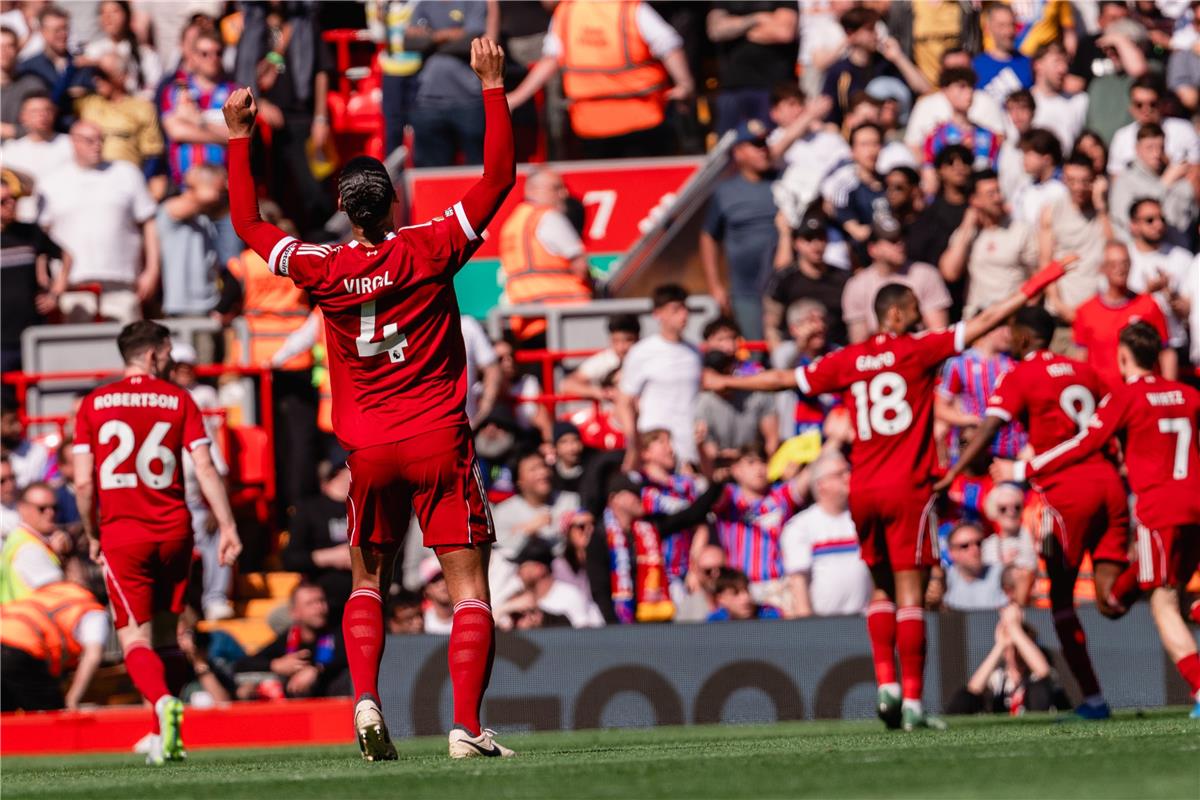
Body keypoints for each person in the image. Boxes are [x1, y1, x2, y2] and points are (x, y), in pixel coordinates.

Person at [223, 38, 516, 762]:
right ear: (394, 200)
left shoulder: (321, 267)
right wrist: (491, 86)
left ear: (344, 210)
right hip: (438, 438)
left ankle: (363, 699)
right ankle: (465, 728)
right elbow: (499, 176)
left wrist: (238, 137)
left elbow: (250, 225)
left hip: (369, 448)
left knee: (367, 581)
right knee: (468, 590)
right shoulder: (431, 245)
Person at [710, 256, 1076, 730]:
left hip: (862, 488)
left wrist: (726, 380)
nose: (921, 320)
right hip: (908, 487)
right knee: (911, 594)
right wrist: (1035, 285)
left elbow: (783, 379)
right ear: (897, 314)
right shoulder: (918, 349)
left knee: (880, 588)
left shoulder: (848, 358)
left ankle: (886, 684)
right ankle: (914, 704)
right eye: (915, 312)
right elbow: (986, 320)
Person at [996, 321, 1200, 718]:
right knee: (1162, 593)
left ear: (1123, 356)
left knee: (1162, 601)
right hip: (1193, 503)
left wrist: (1024, 469)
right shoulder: (1190, 395)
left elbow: (1083, 442)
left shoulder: (1125, 397)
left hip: (1158, 509)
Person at [941, 305, 1127, 720]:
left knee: (1061, 598)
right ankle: (1150, 586)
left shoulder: (1020, 374)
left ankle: (1094, 700)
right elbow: (1118, 415)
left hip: (1067, 492)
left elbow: (990, 426)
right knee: (1112, 598)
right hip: (1110, 484)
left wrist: (955, 468)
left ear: (1024, 337)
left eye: (1011, 333)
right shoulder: (1085, 371)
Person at [73, 321, 241, 765]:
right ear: (152, 355)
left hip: (124, 533)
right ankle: (157, 731)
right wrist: (228, 526)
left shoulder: (93, 403)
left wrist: (92, 533)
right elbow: (205, 467)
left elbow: (83, 483)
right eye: (167, 355)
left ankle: (163, 704)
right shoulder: (179, 399)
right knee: (168, 633)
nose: (169, 362)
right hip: (174, 532)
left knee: (134, 637)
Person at [506, 0, 695, 159]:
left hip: (599, 123)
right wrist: (685, 84)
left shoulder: (567, 11)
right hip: (637, 118)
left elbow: (550, 59)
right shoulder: (631, 9)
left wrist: (516, 97)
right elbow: (668, 45)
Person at [39, 119, 159, 324]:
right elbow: (42, 234)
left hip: (121, 281)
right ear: (73, 142)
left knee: (129, 340)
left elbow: (148, 222)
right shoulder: (52, 181)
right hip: (72, 285)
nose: (97, 145)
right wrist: (46, 280)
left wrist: (152, 270)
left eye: (101, 140)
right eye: (89, 140)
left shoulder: (126, 173)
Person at [604, 470, 726, 624]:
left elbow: (691, 515)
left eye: (639, 492)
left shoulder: (650, 527)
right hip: (616, 622)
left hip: (653, 615)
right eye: (632, 493)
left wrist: (716, 483)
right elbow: (600, 588)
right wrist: (613, 628)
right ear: (614, 499)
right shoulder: (600, 536)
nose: (639, 497)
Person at [167, 342, 232, 622]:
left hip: (193, 505)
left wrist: (220, 512)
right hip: (161, 506)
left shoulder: (198, 423)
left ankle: (215, 598)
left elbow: (218, 469)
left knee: (220, 532)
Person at [700, 120, 777, 339]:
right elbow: (708, 236)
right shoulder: (725, 191)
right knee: (753, 350)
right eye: (756, 145)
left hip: (783, 289)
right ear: (738, 152)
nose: (763, 150)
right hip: (746, 292)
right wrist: (715, 285)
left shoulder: (784, 181)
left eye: (765, 143)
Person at [497, 166, 591, 343]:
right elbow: (581, 266)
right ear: (532, 190)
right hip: (564, 318)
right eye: (556, 188)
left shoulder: (511, 225)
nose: (564, 194)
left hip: (525, 321)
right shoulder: (548, 217)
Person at [616, 284, 701, 472]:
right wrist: (635, 442)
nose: (684, 315)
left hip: (689, 450)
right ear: (658, 313)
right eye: (676, 309)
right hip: (655, 452)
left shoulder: (695, 353)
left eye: (685, 308)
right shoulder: (641, 352)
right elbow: (624, 401)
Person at [939, 168, 1040, 321]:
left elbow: (1037, 275)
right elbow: (950, 273)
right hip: (976, 317)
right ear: (975, 200)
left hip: (1012, 317)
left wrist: (1026, 313)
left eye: (998, 191)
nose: (998, 198)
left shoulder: (1020, 230)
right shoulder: (966, 234)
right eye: (990, 194)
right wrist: (967, 224)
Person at [1072, 240, 1174, 390]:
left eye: (1124, 263)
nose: (1120, 269)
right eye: (1113, 264)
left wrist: (1168, 391)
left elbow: (1166, 352)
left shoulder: (1148, 305)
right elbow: (1081, 359)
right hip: (1103, 394)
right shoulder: (1086, 311)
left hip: (1143, 394)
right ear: (1103, 268)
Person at [780, 452, 870, 618]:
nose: (848, 477)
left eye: (849, 471)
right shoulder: (801, 526)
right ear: (821, 485)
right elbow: (798, 583)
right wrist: (807, 624)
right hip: (822, 623)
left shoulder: (866, 518)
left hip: (864, 620)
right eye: (839, 474)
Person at [841, 214, 951, 344]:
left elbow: (939, 334)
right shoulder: (856, 286)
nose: (900, 244)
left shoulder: (926, 275)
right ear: (873, 249)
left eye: (901, 238)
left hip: (921, 350)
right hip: (879, 353)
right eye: (892, 241)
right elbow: (859, 344)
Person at [0, 579, 108, 711]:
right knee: (52, 715)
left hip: (7, 635)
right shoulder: (93, 611)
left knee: (6, 714)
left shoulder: (55, 589)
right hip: (19, 648)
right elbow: (93, 656)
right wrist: (72, 699)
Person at [489, 449, 579, 606]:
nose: (542, 473)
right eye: (533, 469)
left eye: (543, 466)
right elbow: (503, 549)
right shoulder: (504, 511)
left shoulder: (570, 501)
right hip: (519, 585)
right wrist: (528, 529)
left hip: (565, 579)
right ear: (520, 481)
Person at [947, 602, 1067, 715]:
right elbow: (972, 690)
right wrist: (1000, 645)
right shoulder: (999, 678)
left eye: (1019, 648)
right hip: (1003, 726)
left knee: (1039, 690)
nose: (1015, 653)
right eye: (1011, 648)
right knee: (964, 698)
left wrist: (1014, 627)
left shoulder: (1037, 676)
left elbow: (1043, 671)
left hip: (1036, 717)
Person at [234, 581, 349, 698]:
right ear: (295, 612)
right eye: (310, 603)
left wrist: (317, 670)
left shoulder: (337, 633)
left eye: (321, 601)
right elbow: (242, 665)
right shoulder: (288, 639)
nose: (319, 608)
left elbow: (347, 656)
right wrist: (276, 665)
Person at [821, 7, 929, 129]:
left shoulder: (887, 64)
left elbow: (924, 89)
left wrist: (899, 58)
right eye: (870, 30)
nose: (876, 35)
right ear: (851, 34)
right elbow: (831, 120)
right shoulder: (839, 72)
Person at [75, 52, 165, 195]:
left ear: (122, 77)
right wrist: (87, 65)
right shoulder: (88, 103)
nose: (97, 79)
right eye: (95, 74)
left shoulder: (142, 107)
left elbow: (152, 153)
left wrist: (139, 184)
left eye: (103, 75)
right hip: (92, 182)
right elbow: (57, 99)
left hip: (126, 184)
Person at [1038, 153, 1112, 326]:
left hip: (1098, 308)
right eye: (1072, 180)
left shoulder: (1104, 211)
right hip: (1063, 310)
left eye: (1085, 181)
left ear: (1094, 180)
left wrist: (1101, 208)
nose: (1078, 187)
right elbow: (1045, 261)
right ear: (1063, 179)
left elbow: (1113, 249)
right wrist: (1058, 303)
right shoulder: (1052, 210)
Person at [705, 2, 798, 135]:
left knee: (772, 141)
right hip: (733, 87)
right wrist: (757, 18)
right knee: (729, 143)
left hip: (773, 88)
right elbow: (715, 30)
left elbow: (784, 33)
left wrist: (737, 27)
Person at [158, 29, 235, 189]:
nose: (213, 59)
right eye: (205, 54)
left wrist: (198, 120)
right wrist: (221, 133)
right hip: (185, 188)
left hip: (225, 187)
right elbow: (176, 131)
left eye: (218, 53)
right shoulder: (175, 91)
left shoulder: (234, 92)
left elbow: (240, 136)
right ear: (193, 57)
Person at [0, 175, 61, 373]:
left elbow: (66, 257)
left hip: (32, 333)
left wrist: (54, 293)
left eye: (13, 199)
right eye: (3, 201)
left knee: (37, 388)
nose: (11, 204)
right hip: (2, 340)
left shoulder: (29, 233)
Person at [764, 209, 848, 350]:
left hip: (835, 351)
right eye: (809, 239)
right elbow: (771, 327)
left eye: (821, 238)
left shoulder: (842, 278)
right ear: (796, 243)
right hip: (796, 352)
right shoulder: (785, 279)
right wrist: (781, 356)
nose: (816, 245)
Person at [282, 461, 352, 626]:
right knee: (280, 618)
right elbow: (290, 559)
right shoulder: (310, 509)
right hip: (324, 597)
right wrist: (330, 557)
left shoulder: (368, 507)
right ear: (338, 473)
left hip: (364, 591)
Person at [1124, 197, 1194, 355]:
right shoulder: (1123, 258)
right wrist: (1147, 293)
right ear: (1133, 225)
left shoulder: (1183, 258)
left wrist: (1172, 297)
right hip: (1135, 346)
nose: (1158, 225)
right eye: (1150, 220)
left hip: (1174, 344)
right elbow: (1115, 307)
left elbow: (1190, 311)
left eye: (1162, 219)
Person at [157, 163, 227, 318]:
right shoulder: (171, 207)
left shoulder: (204, 216)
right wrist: (200, 185)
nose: (222, 194)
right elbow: (208, 197)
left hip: (209, 305)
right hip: (183, 306)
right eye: (220, 188)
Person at [1109, 126, 1196, 247]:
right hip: (1137, 251)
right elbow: (1127, 222)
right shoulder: (1124, 181)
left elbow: (1189, 218)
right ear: (1137, 149)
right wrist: (1165, 183)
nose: (1157, 154)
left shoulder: (1177, 178)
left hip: (1178, 249)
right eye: (1150, 148)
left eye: (1161, 148)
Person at [1107, 75, 1200, 178]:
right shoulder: (1121, 137)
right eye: (1139, 105)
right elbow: (1116, 180)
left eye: (1152, 104)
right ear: (1131, 107)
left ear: (1162, 104)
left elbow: (1196, 172)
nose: (1146, 110)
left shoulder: (1184, 130)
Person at [1, 92, 73, 222]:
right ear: (22, 116)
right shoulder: (9, 151)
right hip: (24, 222)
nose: (42, 115)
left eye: (47, 110)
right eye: (35, 111)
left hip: (63, 222)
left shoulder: (71, 146)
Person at [509, 535, 603, 628]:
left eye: (522, 566)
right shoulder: (520, 600)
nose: (518, 573)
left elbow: (584, 634)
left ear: (539, 568)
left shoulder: (569, 595)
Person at [0, 482, 68, 603]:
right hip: (31, 614)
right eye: (42, 508)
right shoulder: (30, 549)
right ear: (22, 508)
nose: (50, 513)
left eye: (55, 508)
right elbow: (59, 596)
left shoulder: (17, 538)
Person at [980, 482, 1037, 606]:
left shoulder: (1033, 538)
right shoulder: (988, 545)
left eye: (1017, 507)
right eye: (1003, 508)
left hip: (1032, 607)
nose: (1011, 512)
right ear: (994, 510)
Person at [559, 314, 640, 402]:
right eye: (615, 341)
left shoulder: (646, 358)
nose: (621, 348)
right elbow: (566, 384)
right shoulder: (606, 359)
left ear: (638, 338)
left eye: (628, 340)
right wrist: (600, 392)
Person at [1029, 43, 1088, 153]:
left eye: (1066, 62)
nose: (1063, 69)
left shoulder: (1079, 101)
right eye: (1057, 62)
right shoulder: (1024, 103)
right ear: (1038, 65)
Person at [973, 4, 1032, 104]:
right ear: (988, 28)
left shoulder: (1029, 64)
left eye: (1012, 25)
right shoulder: (976, 66)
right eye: (1001, 26)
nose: (1008, 31)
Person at [942, 522, 1008, 611]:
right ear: (951, 552)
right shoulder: (942, 579)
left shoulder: (1002, 574)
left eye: (978, 543)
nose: (975, 549)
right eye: (965, 546)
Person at [1009, 128, 1066, 228]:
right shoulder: (1025, 188)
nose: (1024, 159)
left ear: (1047, 159)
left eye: (1028, 154)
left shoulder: (1064, 187)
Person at [673, 543, 726, 623]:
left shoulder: (739, 600)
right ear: (696, 570)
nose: (716, 574)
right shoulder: (687, 607)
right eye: (708, 571)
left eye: (721, 569)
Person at [706, 567, 781, 621]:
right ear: (721, 599)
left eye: (747, 590)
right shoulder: (714, 622)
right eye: (736, 593)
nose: (746, 598)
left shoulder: (770, 617)